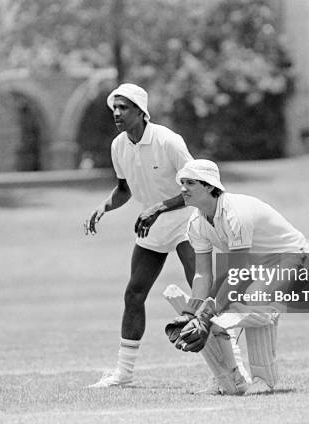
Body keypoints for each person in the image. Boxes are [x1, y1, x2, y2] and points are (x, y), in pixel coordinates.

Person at [165, 159, 309, 395]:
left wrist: (206, 313)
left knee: (252, 303)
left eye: (190, 183)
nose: (182, 188)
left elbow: (237, 273)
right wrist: (192, 313)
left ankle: (263, 379)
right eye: (182, 182)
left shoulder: (236, 213)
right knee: (209, 313)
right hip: (256, 266)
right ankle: (229, 378)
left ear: (209, 186)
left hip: (294, 257)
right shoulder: (196, 222)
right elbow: (203, 274)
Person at [84, 83, 197, 388]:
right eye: (115, 108)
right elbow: (124, 190)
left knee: (202, 291)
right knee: (134, 293)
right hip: (153, 222)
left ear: (141, 112)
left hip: (187, 219)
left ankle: (232, 363)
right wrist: (104, 207)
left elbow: (197, 188)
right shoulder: (118, 146)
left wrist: (158, 208)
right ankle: (124, 374)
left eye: (124, 107)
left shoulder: (168, 141)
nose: (117, 113)